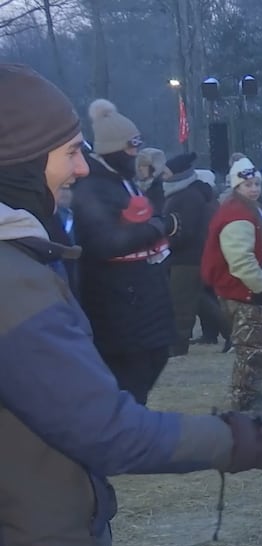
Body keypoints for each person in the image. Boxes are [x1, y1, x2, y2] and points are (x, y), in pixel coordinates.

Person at [0, 61, 262, 546]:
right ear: (22, 162)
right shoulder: (12, 283)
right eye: (70, 152)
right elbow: (109, 431)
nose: (82, 169)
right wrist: (249, 438)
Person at [72, 99, 178, 406]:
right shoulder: (93, 189)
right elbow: (107, 242)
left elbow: (141, 217)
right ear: (113, 150)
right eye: (131, 148)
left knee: (152, 361)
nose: (135, 154)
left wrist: (155, 187)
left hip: (141, 299)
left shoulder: (123, 183)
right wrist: (159, 227)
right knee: (128, 382)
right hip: (119, 306)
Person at [201, 156, 262, 410]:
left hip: (251, 292)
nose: (254, 189)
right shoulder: (238, 215)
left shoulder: (249, 209)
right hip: (246, 294)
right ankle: (242, 400)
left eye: (257, 183)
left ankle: (252, 392)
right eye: (248, 185)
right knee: (253, 349)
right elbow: (240, 260)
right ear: (237, 187)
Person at [162, 151, 216, 357]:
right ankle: (231, 332)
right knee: (201, 300)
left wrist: (168, 242)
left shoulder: (188, 197)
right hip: (185, 256)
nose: (163, 176)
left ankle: (178, 344)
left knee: (182, 304)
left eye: (166, 173)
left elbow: (187, 230)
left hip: (187, 257)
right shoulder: (183, 195)